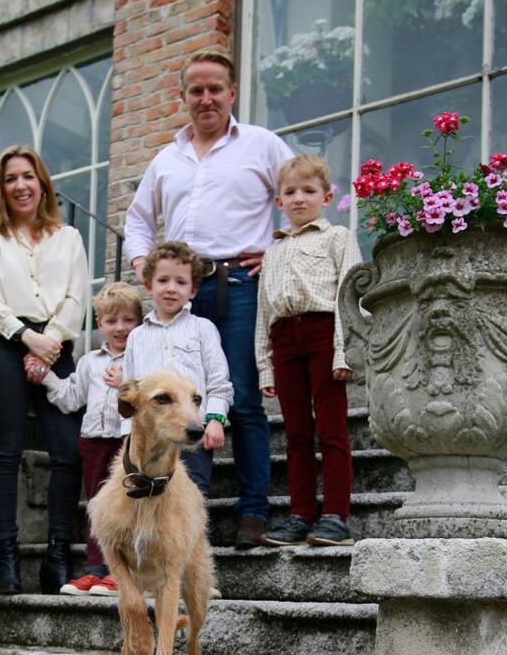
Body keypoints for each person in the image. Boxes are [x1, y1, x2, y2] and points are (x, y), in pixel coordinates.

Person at [124, 49, 294, 549]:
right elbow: (137, 221)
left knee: (238, 398)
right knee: (177, 402)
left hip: (240, 285)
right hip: (182, 295)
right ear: (183, 97)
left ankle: (253, 512)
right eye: (195, 90)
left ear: (232, 93)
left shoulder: (261, 145)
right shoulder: (165, 159)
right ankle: (183, 511)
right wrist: (142, 264)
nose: (205, 98)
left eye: (215, 89)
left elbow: (300, 194)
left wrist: (281, 249)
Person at [0, 144, 89, 594]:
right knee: (6, 453)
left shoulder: (69, 237)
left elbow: (78, 295)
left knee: (68, 450)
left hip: (56, 346)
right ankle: (8, 557)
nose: (21, 185)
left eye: (28, 176)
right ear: (1, 188)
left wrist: (51, 341)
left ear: (42, 183)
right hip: (5, 347)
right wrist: (27, 338)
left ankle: (57, 555)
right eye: (10, 178)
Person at [255, 154, 362, 546]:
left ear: (327, 196)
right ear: (279, 202)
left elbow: (349, 297)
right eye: (290, 192)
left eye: (309, 190)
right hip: (285, 339)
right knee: (297, 434)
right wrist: (265, 368)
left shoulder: (338, 237)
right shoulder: (273, 251)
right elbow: (263, 314)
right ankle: (301, 513)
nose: (300, 198)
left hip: (322, 332)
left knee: (332, 430)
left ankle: (335, 516)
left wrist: (342, 353)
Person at [30, 282, 143, 597]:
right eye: (111, 321)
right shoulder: (90, 361)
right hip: (93, 443)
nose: (119, 328)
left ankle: (126, 571)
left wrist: (129, 384)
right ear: (100, 325)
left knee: (129, 506)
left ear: (139, 321)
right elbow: (70, 398)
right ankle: (97, 569)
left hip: (128, 444)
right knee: (97, 507)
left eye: (127, 320)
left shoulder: (143, 359)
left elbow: (154, 399)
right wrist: (47, 377)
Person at [123, 242, 233, 496]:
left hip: (192, 432)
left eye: (181, 282)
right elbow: (130, 390)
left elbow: (219, 382)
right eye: (163, 280)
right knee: (147, 498)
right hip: (150, 438)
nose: (171, 288)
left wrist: (215, 419)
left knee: (190, 496)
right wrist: (125, 434)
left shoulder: (203, 329)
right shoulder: (137, 336)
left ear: (193, 290)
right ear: (148, 286)